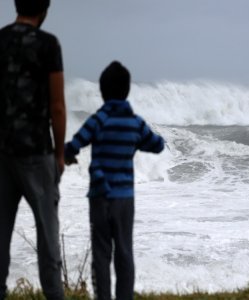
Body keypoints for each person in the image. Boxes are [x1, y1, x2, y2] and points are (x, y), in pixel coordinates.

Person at [64, 61, 164, 300]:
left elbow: (75, 144)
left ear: (102, 92)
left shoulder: (98, 120)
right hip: (124, 199)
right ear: (127, 90)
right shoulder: (135, 123)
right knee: (124, 252)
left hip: (99, 196)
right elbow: (157, 144)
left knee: (101, 253)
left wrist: (66, 155)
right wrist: (136, 141)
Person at [0, 0, 66, 299]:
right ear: (45, 10)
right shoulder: (48, 44)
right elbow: (57, 106)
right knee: (48, 240)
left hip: (1, 154)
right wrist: (60, 155)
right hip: (37, 153)